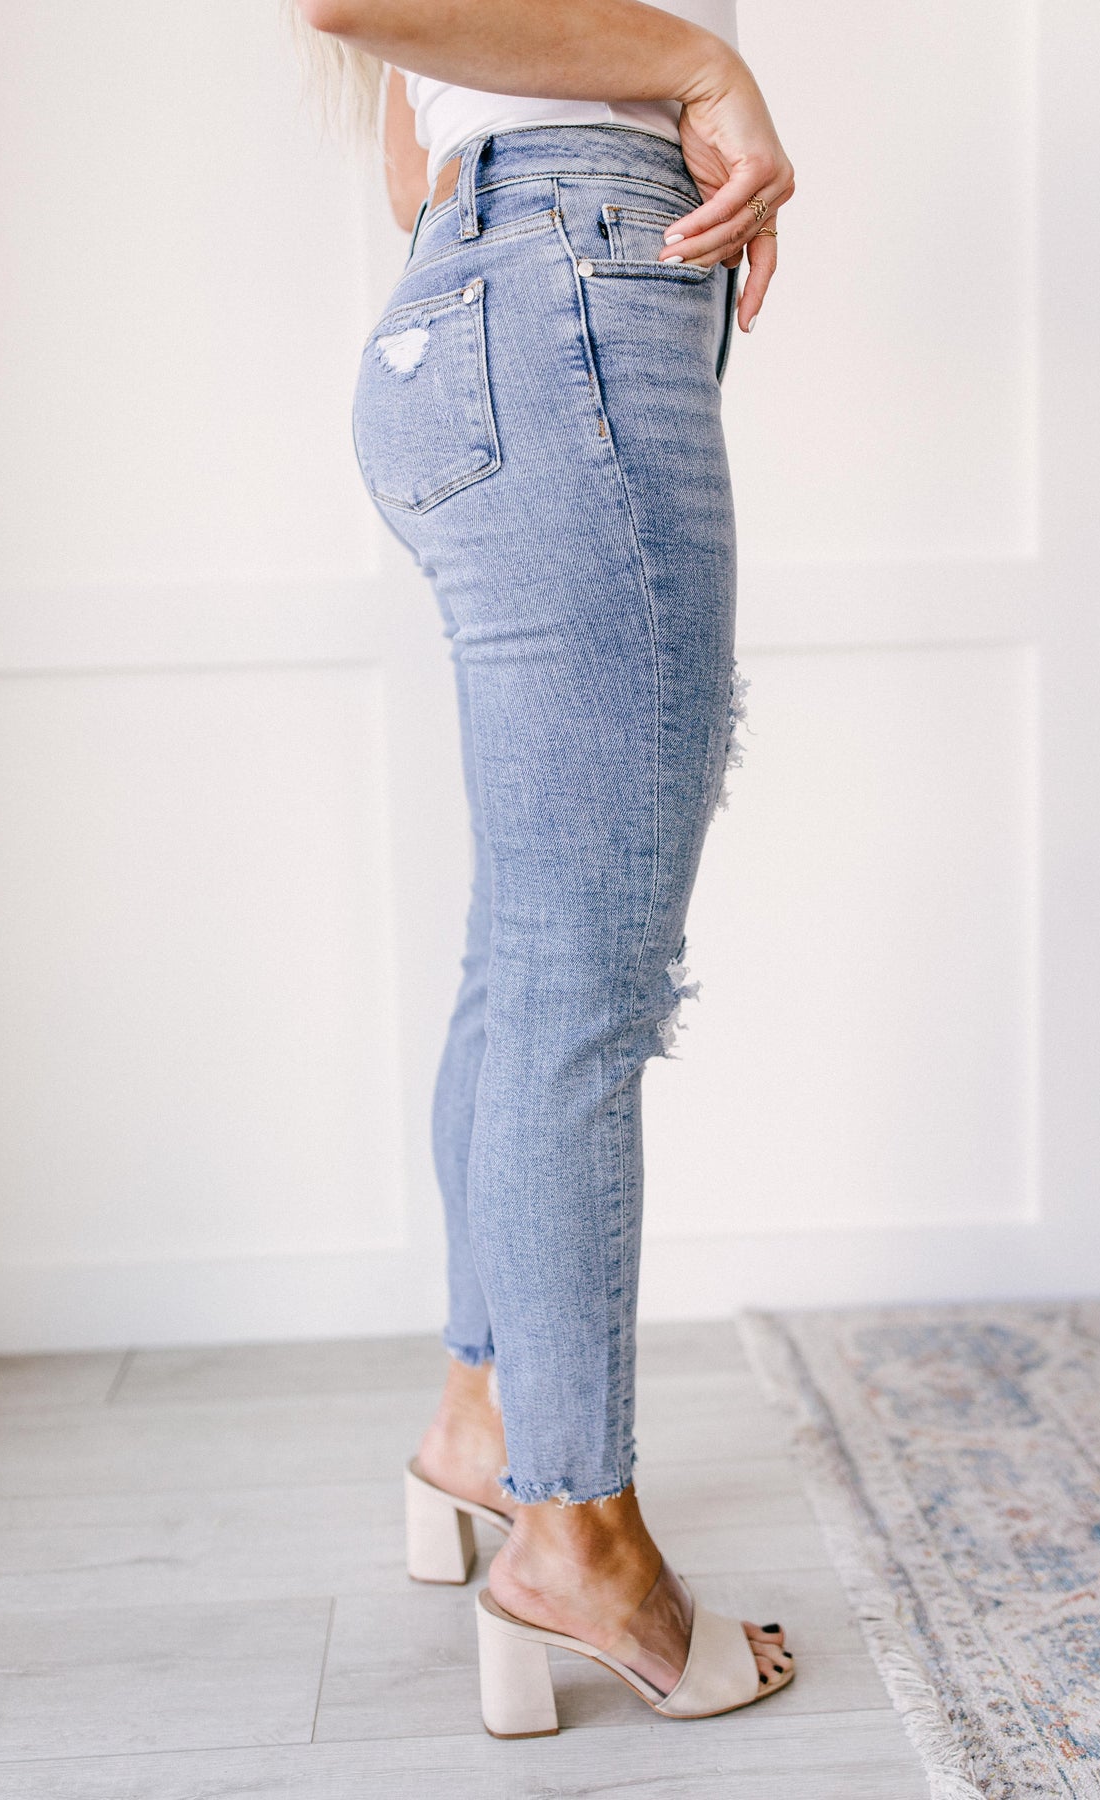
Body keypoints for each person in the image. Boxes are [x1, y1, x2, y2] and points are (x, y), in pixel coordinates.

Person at [296, 0, 797, 1736]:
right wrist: (701, 72)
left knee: (530, 954)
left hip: (488, 290)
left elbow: (413, 146)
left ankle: (483, 1426)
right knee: (580, 979)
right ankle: (576, 1538)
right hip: (574, 290)